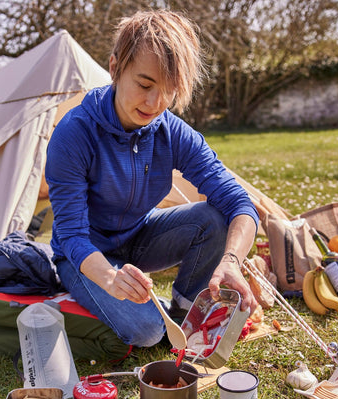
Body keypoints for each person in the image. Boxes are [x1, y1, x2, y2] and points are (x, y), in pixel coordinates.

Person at [45, 9, 260, 348]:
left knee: (214, 217)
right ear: (115, 68)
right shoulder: (74, 133)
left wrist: (231, 261)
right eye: (144, 84)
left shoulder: (173, 133)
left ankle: (184, 315)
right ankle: (145, 322)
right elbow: (71, 235)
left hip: (140, 237)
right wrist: (111, 278)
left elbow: (239, 202)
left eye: (169, 90)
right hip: (85, 254)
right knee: (146, 332)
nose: (155, 102)